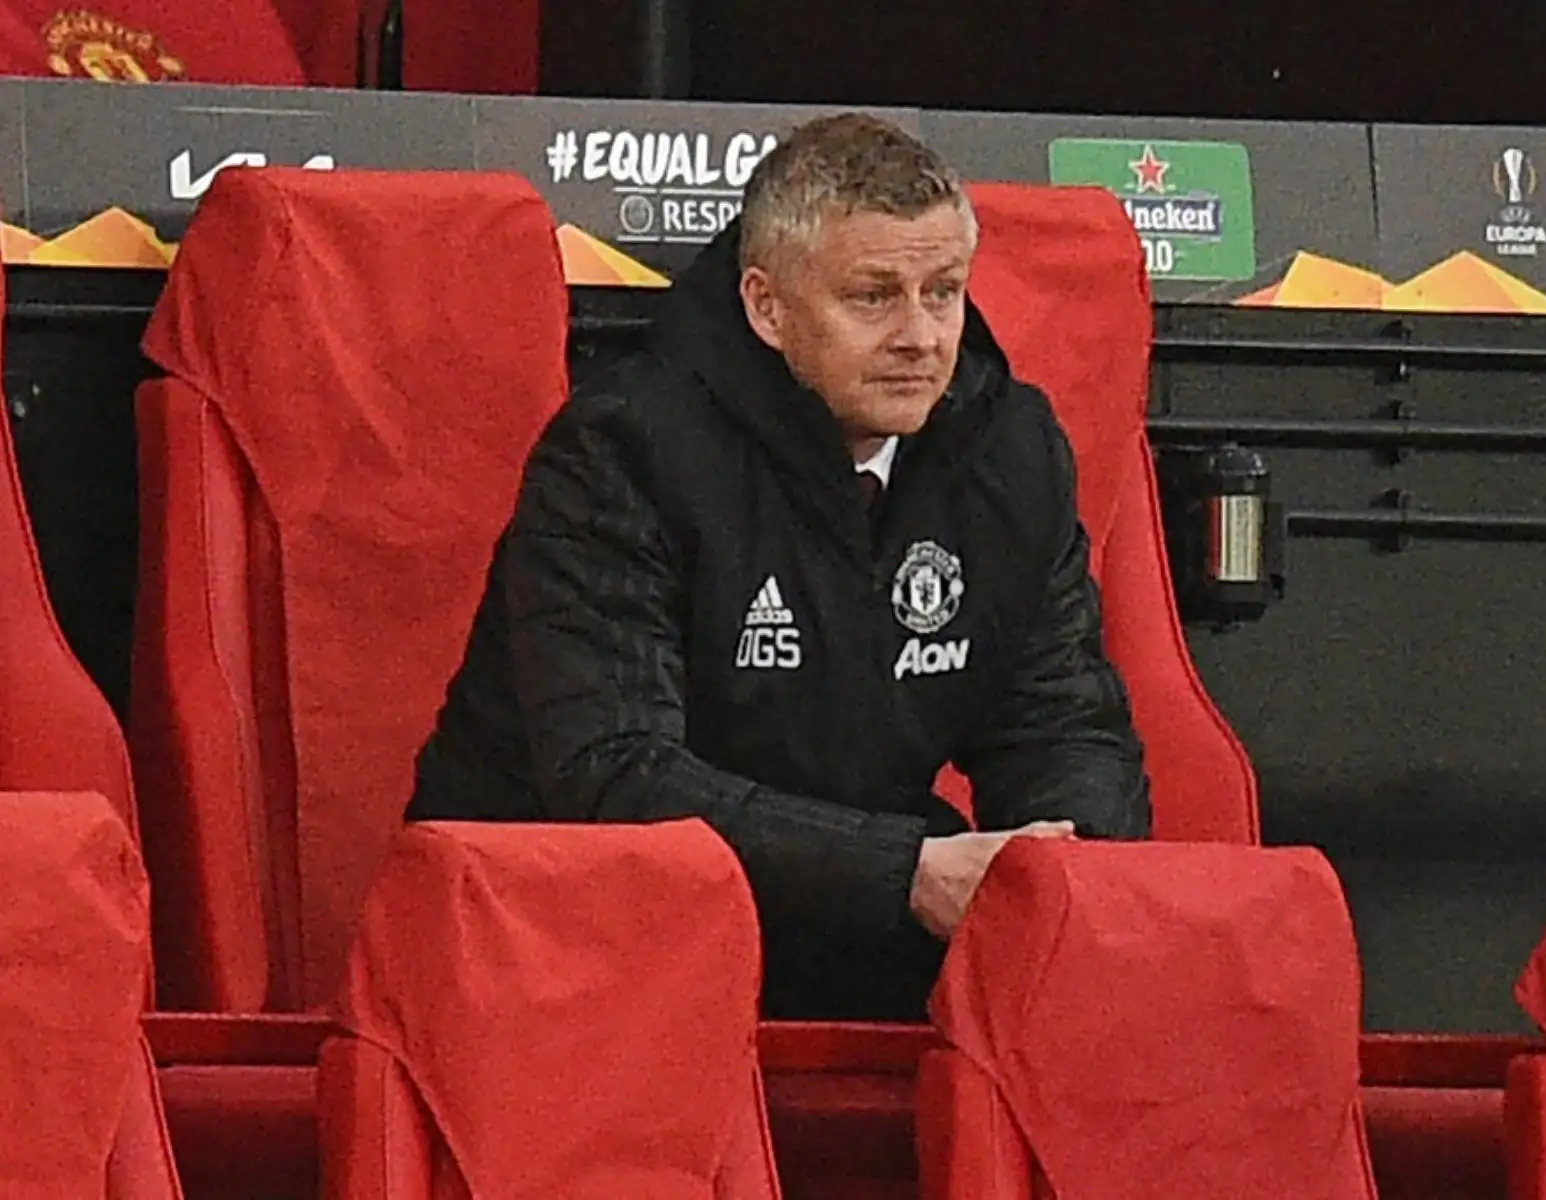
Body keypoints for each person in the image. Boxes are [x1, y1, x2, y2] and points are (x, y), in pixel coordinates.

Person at [408, 113, 1152, 1021]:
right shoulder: (622, 450)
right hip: (575, 949)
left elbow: (1063, 722)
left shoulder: (1011, 449)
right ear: (766, 306)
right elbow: (617, 778)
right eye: (873, 296)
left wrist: (1056, 858)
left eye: (944, 291)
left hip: (843, 924)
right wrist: (903, 873)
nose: (920, 336)